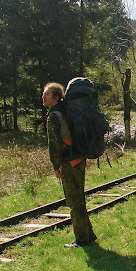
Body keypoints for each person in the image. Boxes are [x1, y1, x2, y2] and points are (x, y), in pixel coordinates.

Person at [42, 82, 97, 247]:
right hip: (79, 158)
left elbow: (54, 145)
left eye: (47, 95)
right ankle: (89, 234)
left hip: (69, 161)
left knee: (74, 201)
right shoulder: (68, 111)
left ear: (57, 97)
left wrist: (55, 166)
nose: (43, 97)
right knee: (79, 198)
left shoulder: (54, 116)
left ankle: (81, 239)